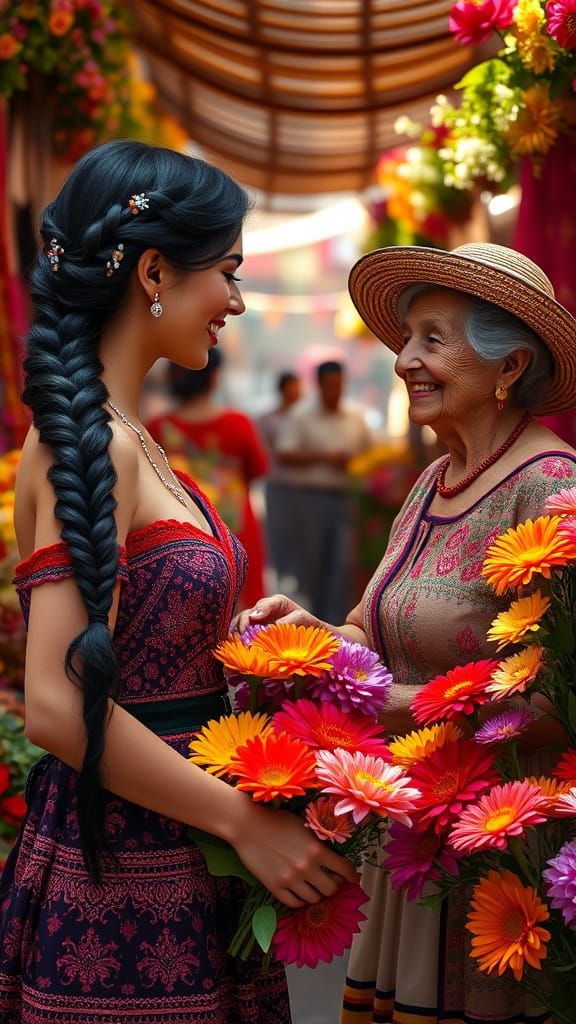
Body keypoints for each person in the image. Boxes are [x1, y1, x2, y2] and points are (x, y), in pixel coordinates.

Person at [0, 140, 358, 1024]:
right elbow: (52, 704)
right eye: (228, 273)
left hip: (174, 834)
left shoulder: (131, 438)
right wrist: (240, 820)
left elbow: (145, 648)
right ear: (153, 270)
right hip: (121, 867)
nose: (236, 302)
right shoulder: (89, 444)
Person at [236, 242, 576, 1024]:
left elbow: (563, 696)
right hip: (416, 842)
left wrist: (398, 706)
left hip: (500, 857)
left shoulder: (550, 487)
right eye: (407, 339)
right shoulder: (434, 480)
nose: (404, 361)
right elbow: (375, 626)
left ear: (509, 365)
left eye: (433, 339)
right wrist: (314, 636)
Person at [148, 348, 269, 609]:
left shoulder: (157, 427)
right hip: (237, 530)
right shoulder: (239, 423)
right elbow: (259, 469)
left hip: (182, 535)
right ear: (214, 378)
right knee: (246, 617)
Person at [275, 360, 373, 623]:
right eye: (330, 386)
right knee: (313, 561)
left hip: (345, 499)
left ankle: (336, 625)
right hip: (310, 499)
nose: (336, 391)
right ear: (319, 385)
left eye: (339, 385)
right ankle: (312, 618)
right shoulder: (301, 414)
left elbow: (370, 451)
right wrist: (324, 457)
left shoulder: (354, 415)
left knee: (342, 563)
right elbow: (284, 453)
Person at [258, 370, 303, 591]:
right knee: (277, 529)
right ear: (282, 390)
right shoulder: (267, 419)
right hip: (276, 483)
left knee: (299, 531)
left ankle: (296, 575)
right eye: (292, 387)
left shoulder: (305, 418)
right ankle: (280, 572)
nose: (297, 392)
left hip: (301, 485)